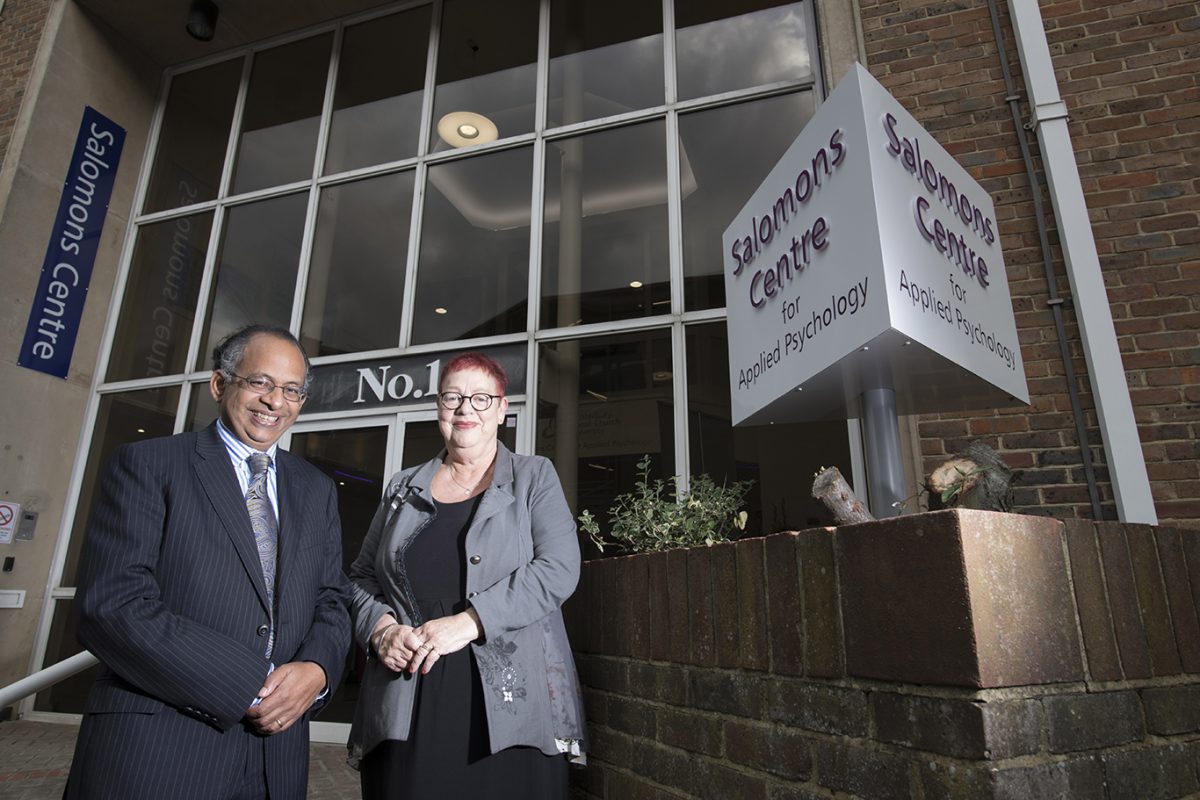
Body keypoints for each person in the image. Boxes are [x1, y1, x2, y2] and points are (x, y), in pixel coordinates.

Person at [66, 324, 352, 800]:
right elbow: (112, 605)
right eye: (259, 382)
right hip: (160, 750)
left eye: (291, 390)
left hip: (274, 758)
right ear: (220, 384)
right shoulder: (148, 465)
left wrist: (317, 671)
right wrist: (252, 681)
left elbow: (331, 598)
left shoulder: (315, 489)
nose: (274, 402)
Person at [347, 352, 586, 799]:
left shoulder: (534, 478)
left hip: (510, 703)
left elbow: (558, 569)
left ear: (501, 409)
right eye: (453, 397)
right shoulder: (402, 487)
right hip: (408, 699)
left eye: (480, 398)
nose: (464, 409)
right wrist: (380, 631)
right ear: (438, 406)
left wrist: (469, 622)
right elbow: (361, 577)